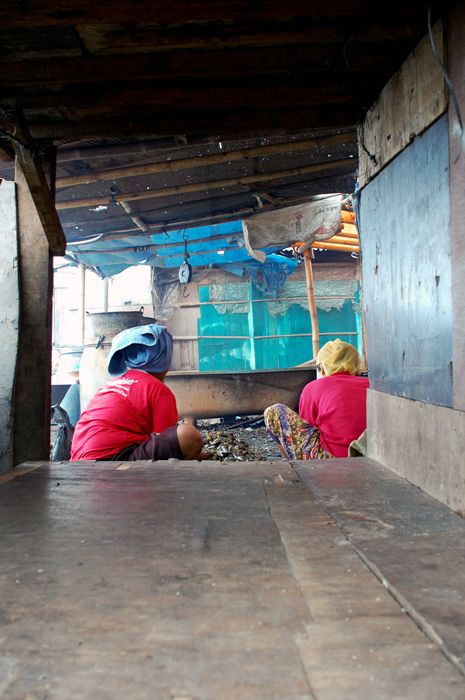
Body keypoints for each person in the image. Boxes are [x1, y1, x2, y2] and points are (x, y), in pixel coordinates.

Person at [70, 324, 207, 462]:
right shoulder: (158, 389)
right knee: (187, 436)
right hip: (113, 461)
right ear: (164, 364)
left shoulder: (110, 383)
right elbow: (165, 440)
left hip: (78, 460)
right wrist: (198, 455)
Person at [264, 339, 369, 460]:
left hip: (333, 461)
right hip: (370, 455)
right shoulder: (369, 384)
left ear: (321, 367)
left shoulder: (313, 387)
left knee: (273, 412)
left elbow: (307, 428)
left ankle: (297, 466)